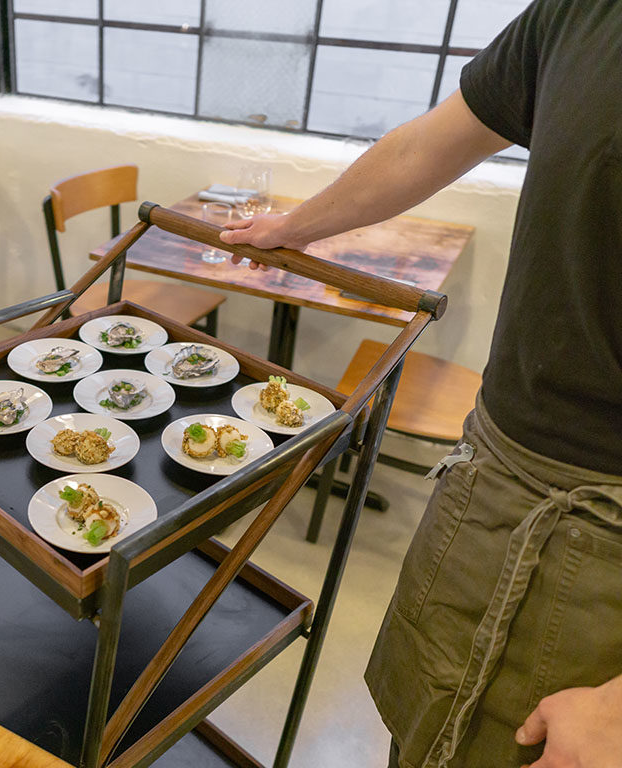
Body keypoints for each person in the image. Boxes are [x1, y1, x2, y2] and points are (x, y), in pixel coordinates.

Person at [219, 1, 622, 766]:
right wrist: (296, 226)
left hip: (605, 532)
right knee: (422, 725)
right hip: (492, 466)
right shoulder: (579, 12)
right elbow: (425, 148)